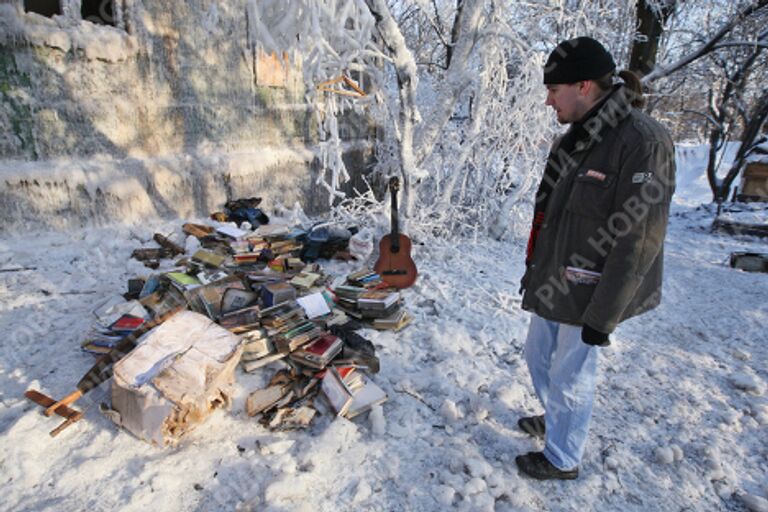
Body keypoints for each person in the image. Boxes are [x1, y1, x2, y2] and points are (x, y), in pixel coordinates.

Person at [516, 37, 676, 480]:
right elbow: (551, 216)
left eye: (554, 90)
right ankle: (556, 420)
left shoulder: (643, 141)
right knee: (536, 356)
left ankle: (563, 457)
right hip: (553, 277)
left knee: (572, 373)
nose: (548, 100)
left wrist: (603, 316)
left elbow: (640, 237)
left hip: (591, 286)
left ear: (584, 85)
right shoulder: (572, 140)